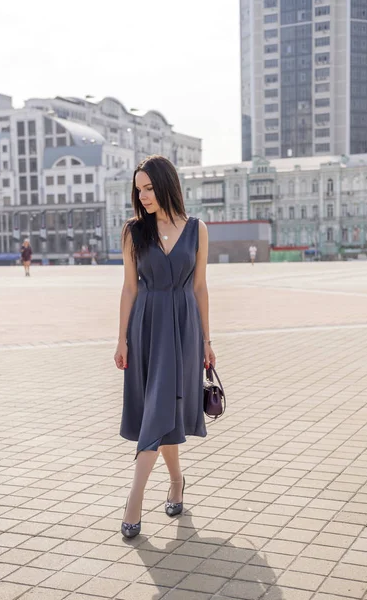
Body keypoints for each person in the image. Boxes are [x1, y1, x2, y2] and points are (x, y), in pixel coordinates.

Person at [114, 155, 216, 539]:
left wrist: (208, 340)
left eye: (149, 187)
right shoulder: (133, 231)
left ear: (166, 184)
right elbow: (129, 287)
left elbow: (200, 287)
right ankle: (155, 491)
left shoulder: (197, 229)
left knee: (166, 408)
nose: (143, 195)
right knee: (156, 409)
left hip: (184, 327)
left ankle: (153, 493)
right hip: (147, 326)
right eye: (138, 189)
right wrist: (121, 337)